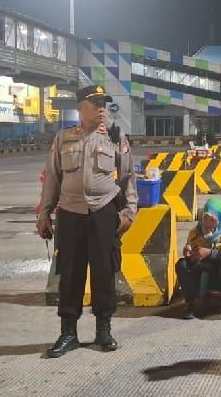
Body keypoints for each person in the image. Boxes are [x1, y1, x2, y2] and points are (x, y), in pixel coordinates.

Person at [37, 84, 137, 358]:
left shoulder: (115, 137)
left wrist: (129, 211)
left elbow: (128, 177)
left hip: (104, 211)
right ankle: (68, 333)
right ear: (81, 107)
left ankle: (103, 331)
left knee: (104, 272)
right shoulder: (63, 138)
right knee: (70, 274)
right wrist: (45, 213)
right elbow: (52, 178)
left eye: (104, 104)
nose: (102, 109)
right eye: (95, 104)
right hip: (70, 213)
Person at [175, 197, 221, 319]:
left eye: (212, 220)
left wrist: (209, 253)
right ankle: (191, 303)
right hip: (200, 270)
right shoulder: (195, 231)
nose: (208, 223)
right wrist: (188, 252)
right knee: (182, 264)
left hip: (219, 272)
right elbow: (190, 250)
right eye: (205, 219)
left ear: (219, 218)